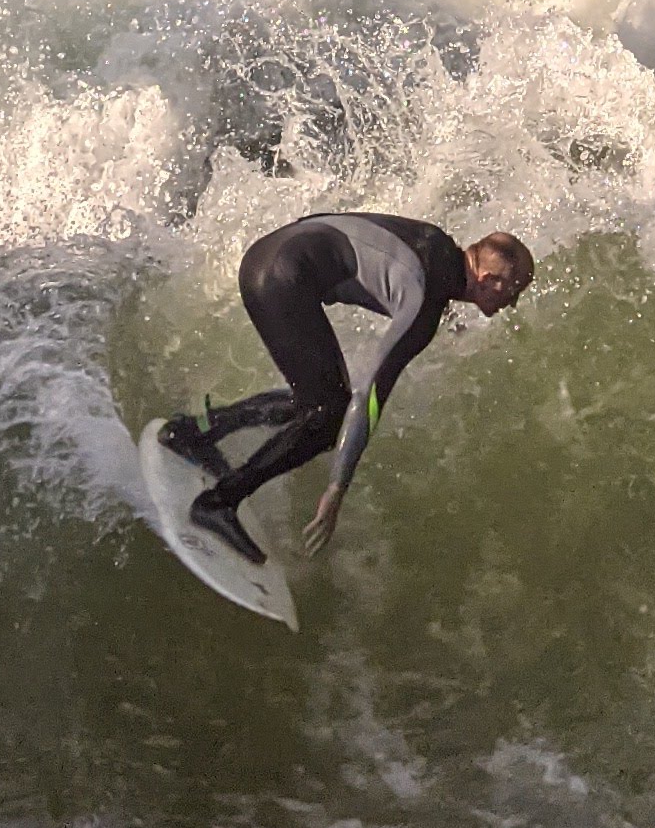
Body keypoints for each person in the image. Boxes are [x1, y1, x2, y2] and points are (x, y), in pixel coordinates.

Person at [162, 213, 535, 569]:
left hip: (271, 253)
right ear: (487, 280)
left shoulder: (436, 243)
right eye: (512, 292)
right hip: (281, 281)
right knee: (326, 417)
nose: (512, 303)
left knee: (316, 402)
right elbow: (370, 393)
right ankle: (218, 504)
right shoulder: (423, 306)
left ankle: (194, 430)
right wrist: (338, 486)